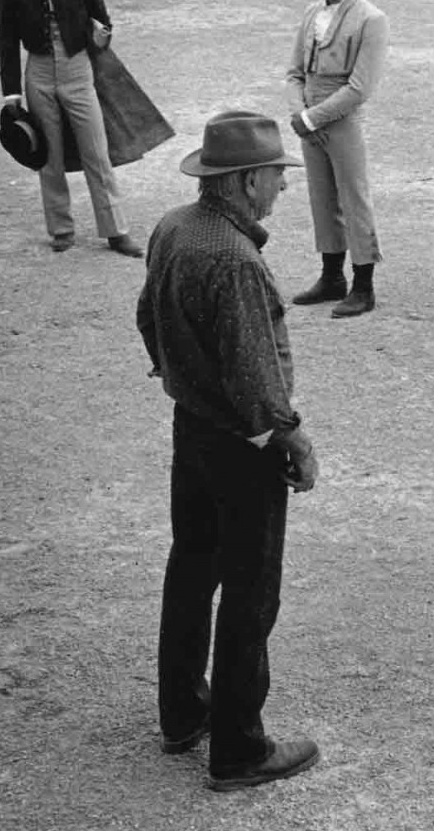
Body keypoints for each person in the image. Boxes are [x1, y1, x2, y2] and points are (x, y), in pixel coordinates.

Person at [136, 110, 324, 792]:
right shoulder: (236, 259)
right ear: (247, 182)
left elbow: (146, 317)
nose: (283, 186)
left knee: (192, 566)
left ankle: (183, 711)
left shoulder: (173, 228)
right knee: (250, 591)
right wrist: (292, 439)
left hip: (191, 428)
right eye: (276, 175)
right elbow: (255, 379)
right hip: (243, 448)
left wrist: (179, 374)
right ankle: (239, 748)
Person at [0, 0, 144, 256]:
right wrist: (11, 94)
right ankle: (61, 228)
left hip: (77, 70)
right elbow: (7, 40)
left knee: (96, 152)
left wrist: (101, 35)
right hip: (38, 73)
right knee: (47, 154)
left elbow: (104, 24)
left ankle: (116, 231)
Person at [284, 0, 388, 319]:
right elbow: (295, 73)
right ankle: (331, 277)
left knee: (353, 198)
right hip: (310, 115)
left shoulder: (371, 19)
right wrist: (299, 114)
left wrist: (311, 118)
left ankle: (364, 286)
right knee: (322, 197)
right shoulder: (312, 12)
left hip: (342, 118)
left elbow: (360, 89)